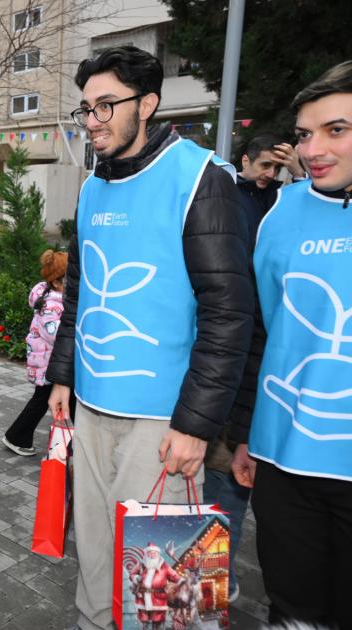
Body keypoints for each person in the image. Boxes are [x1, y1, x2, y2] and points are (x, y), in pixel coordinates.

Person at [44, 46, 253, 630]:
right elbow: (79, 293)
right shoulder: (91, 186)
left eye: (106, 105)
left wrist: (196, 426)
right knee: (94, 558)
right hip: (89, 408)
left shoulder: (201, 178)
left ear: (149, 104)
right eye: (86, 108)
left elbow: (228, 313)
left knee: (167, 593)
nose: (92, 121)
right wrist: (63, 373)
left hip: (163, 424)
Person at [230, 60, 352, 629]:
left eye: (337, 129)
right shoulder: (279, 212)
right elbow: (262, 332)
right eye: (305, 134)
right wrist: (246, 437)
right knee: (294, 610)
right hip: (285, 457)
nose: (314, 149)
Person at [201, 134, 306, 603]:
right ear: (243, 161)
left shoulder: (287, 201)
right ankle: (213, 579)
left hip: (283, 380)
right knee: (224, 488)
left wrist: (300, 177)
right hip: (239, 360)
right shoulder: (227, 199)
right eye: (263, 166)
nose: (269, 174)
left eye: (276, 169)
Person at [2, 249, 75, 457]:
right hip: (48, 363)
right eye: (69, 279)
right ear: (56, 282)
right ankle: (16, 437)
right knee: (46, 400)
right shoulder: (51, 305)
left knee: (47, 400)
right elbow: (56, 335)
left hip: (50, 361)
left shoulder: (50, 297)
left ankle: (17, 436)